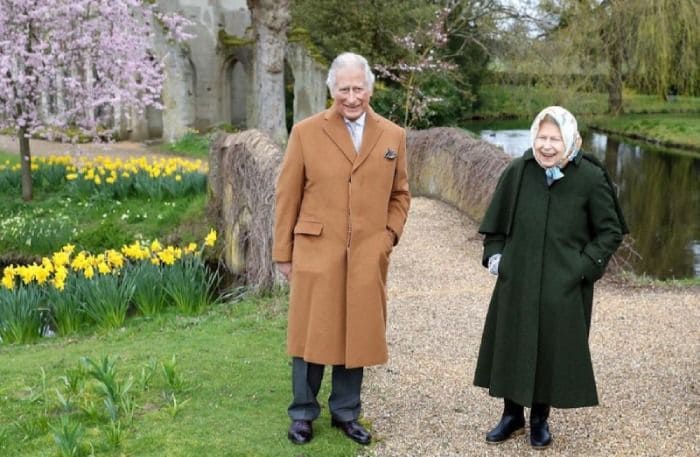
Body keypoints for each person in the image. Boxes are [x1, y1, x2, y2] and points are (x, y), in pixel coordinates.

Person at [272, 52, 410, 446]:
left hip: (368, 253)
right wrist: (284, 253)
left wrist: (388, 237)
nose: (352, 97)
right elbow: (287, 196)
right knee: (311, 336)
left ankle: (346, 413)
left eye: (359, 88)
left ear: (370, 88)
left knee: (358, 334)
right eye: (344, 89)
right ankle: (302, 414)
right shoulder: (305, 132)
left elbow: (401, 195)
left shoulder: (392, 135)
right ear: (332, 89)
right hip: (316, 250)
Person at [473, 106, 628, 449]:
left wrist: (581, 268)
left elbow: (610, 232)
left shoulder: (589, 177)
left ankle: (540, 419)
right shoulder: (518, 171)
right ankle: (511, 415)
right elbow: (494, 227)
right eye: (541, 137)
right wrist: (498, 259)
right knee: (512, 344)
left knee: (549, 348)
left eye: (554, 139)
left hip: (563, 286)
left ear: (571, 139)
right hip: (518, 282)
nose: (546, 146)